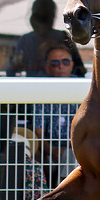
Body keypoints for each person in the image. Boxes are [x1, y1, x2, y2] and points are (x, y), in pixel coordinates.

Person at [6, 0, 86, 78]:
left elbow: (79, 71)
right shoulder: (25, 40)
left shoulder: (63, 37)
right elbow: (11, 71)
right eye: (39, 15)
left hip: (60, 86)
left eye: (65, 62)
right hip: (33, 86)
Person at [34, 45, 79, 187]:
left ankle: (65, 193)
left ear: (71, 65)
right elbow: (38, 132)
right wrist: (51, 150)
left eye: (65, 62)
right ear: (47, 68)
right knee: (68, 157)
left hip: (81, 146)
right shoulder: (41, 91)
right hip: (52, 148)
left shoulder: (83, 87)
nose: (61, 66)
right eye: (55, 63)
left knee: (70, 156)